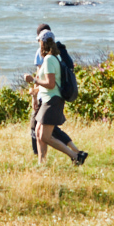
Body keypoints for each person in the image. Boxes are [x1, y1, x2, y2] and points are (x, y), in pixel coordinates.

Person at [28, 27, 83, 166]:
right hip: (48, 100)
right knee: (39, 133)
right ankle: (42, 164)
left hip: (52, 101)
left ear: (43, 43)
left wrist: (33, 80)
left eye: (40, 41)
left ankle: (75, 156)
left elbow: (50, 84)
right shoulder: (53, 57)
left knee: (46, 136)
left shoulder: (49, 60)